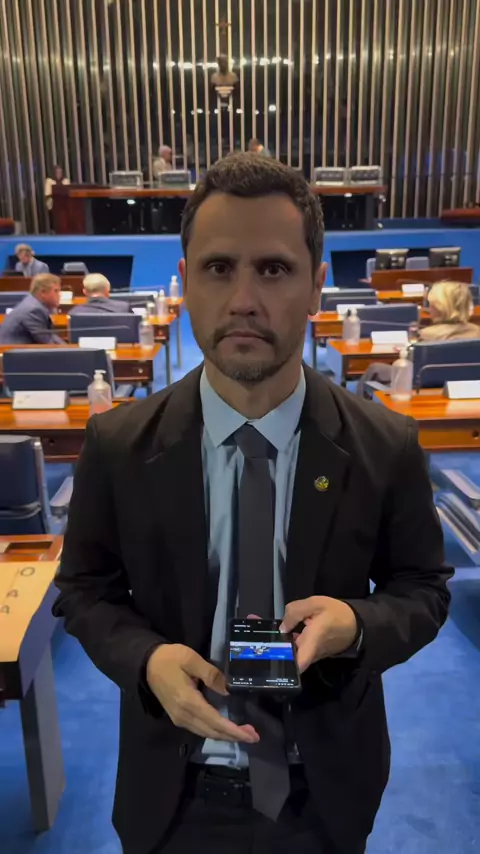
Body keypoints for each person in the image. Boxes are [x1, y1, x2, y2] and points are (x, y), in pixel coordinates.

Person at [53, 154, 451, 854]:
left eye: (272, 269)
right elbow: (85, 591)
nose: (243, 299)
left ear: (316, 285)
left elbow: (423, 589)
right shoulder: (118, 445)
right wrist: (145, 660)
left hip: (325, 797)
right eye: (218, 268)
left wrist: (357, 624)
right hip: (172, 796)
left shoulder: (386, 445)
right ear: (185, 283)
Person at [357, 280, 480, 397]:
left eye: (431, 304)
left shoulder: (426, 335)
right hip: (468, 390)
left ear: (440, 307)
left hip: (420, 392)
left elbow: (409, 369)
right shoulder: (477, 331)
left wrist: (405, 352)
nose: (429, 309)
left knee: (375, 369)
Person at [0, 273, 64, 345]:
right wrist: (69, 348)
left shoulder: (33, 303)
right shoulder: (33, 310)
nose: (60, 295)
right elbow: (48, 342)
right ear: (43, 292)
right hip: (8, 350)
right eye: (56, 291)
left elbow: (50, 336)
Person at [44, 165, 70, 230]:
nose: (59, 174)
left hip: (65, 204)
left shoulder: (65, 180)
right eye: (57, 172)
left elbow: (68, 191)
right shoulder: (49, 180)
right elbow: (47, 193)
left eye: (60, 172)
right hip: (53, 204)